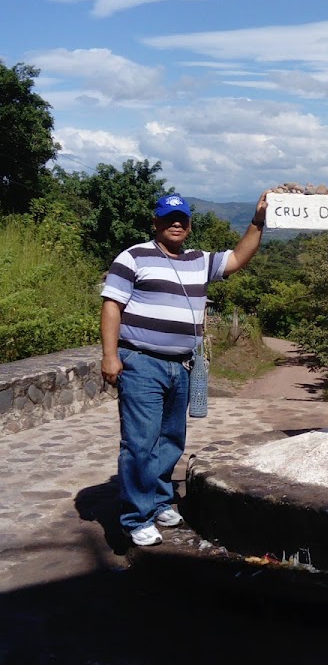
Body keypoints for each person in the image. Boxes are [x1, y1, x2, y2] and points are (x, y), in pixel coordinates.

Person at [100, 191, 269, 547]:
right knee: (140, 443)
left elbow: (238, 258)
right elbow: (112, 305)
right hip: (141, 362)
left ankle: (159, 501)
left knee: (170, 441)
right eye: (167, 218)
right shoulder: (132, 257)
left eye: (182, 219)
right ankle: (136, 517)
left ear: (189, 226)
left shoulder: (199, 260)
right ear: (156, 223)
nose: (175, 224)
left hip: (182, 365)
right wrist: (110, 355)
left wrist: (257, 222)